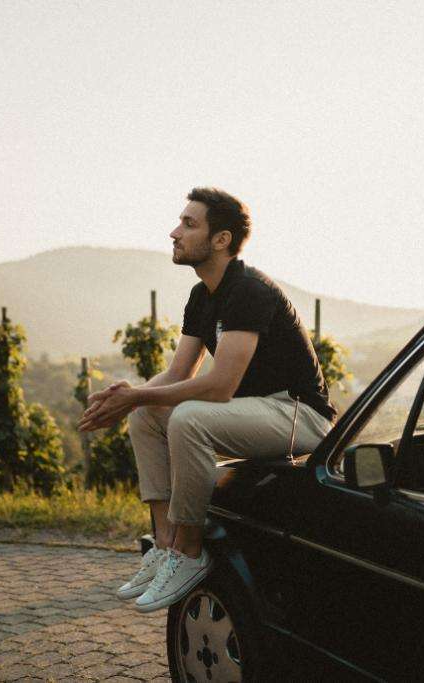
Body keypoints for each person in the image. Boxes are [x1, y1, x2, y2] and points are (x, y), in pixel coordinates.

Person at [78, 187, 336, 612]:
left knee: (189, 418)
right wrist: (129, 398)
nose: (174, 233)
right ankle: (164, 545)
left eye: (188, 224)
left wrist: (136, 394)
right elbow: (178, 374)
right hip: (252, 412)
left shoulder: (249, 290)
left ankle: (189, 551)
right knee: (146, 415)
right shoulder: (202, 296)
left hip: (297, 415)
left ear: (221, 239)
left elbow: (220, 386)